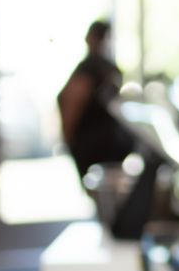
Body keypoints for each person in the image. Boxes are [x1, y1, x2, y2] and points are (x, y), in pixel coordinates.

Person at [57, 20, 134, 180]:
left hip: (95, 145)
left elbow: (73, 103)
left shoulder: (91, 68)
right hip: (108, 143)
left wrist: (68, 135)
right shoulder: (108, 68)